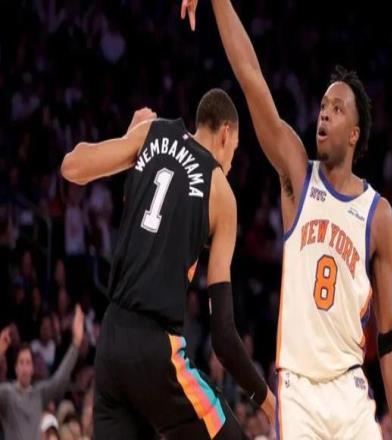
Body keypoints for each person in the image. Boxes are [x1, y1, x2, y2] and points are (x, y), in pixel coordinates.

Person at [193, 0, 392, 438]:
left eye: (337, 108)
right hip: (298, 390)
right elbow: (251, 79)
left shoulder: (378, 215)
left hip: (350, 391)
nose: (324, 112)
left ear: (355, 134)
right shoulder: (298, 175)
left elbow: (390, 335)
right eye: (323, 104)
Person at [61, 92, 275, 439]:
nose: (231, 164)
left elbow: (71, 167)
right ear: (225, 134)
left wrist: (129, 140)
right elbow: (223, 335)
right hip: (156, 351)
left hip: (111, 343)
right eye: (234, 151)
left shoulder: (152, 133)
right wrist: (268, 401)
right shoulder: (221, 192)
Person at [0, 306, 84, 440]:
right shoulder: (6, 393)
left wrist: (76, 344)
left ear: (32, 368)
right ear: (15, 368)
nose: (25, 368)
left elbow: (59, 380)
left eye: (28, 362)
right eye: (21, 362)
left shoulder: (38, 394)